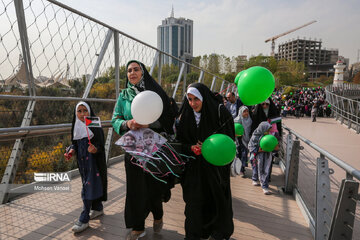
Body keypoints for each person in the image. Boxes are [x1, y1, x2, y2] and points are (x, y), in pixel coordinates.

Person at [111, 60, 175, 240]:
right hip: (132, 147)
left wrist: (150, 123)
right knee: (135, 187)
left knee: (154, 185)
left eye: (136, 69)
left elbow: (168, 119)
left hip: (153, 145)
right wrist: (127, 123)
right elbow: (115, 119)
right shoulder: (124, 96)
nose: (132, 73)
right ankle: (138, 226)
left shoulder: (155, 94)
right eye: (129, 71)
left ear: (143, 72)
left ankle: (158, 212)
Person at [177, 83, 235, 240]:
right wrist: (191, 148)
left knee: (216, 201)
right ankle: (193, 235)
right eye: (189, 99)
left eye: (196, 99)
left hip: (214, 169)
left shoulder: (219, 112)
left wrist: (211, 147)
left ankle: (217, 232)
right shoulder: (186, 115)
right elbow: (179, 142)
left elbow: (229, 141)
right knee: (193, 203)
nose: (193, 104)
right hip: (193, 169)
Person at [65, 101, 107, 233]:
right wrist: (71, 150)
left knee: (87, 187)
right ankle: (98, 207)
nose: (82, 114)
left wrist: (95, 149)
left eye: (85, 111)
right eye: (79, 111)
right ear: (75, 113)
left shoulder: (94, 125)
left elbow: (100, 144)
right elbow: (75, 144)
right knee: (88, 183)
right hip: (82, 164)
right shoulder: (76, 126)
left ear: (90, 111)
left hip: (93, 164)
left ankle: (84, 218)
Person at [248, 121, 279, 195]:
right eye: (267, 130)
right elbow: (250, 146)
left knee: (265, 170)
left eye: (269, 130)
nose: (268, 132)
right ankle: (254, 179)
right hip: (256, 156)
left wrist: (275, 148)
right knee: (256, 169)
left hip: (266, 156)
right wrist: (258, 149)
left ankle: (264, 186)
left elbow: (273, 146)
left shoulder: (269, 136)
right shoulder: (255, 135)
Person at [234, 106, 252, 177]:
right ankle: (238, 169)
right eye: (244, 111)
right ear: (241, 112)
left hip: (246, 140)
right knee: (239, 155)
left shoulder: (250, 120)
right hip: (239, 140)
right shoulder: (236, 120)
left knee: (244, 154)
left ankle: (242, 170)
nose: (246, 113)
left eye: (247, 111)